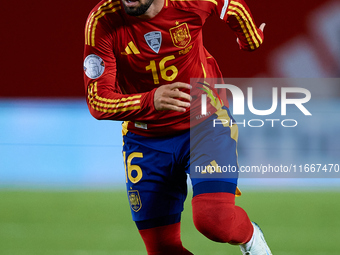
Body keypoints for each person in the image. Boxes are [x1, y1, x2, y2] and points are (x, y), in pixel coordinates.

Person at [83, 0, 271, 253]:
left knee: (214, 221)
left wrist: (250, 39)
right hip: (145, 138)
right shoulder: (103, 21)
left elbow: (231, 6)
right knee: (162, 248)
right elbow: (98, 102)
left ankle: (251, 238)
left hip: (204, 122)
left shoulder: (190, 3)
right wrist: (151, 99)